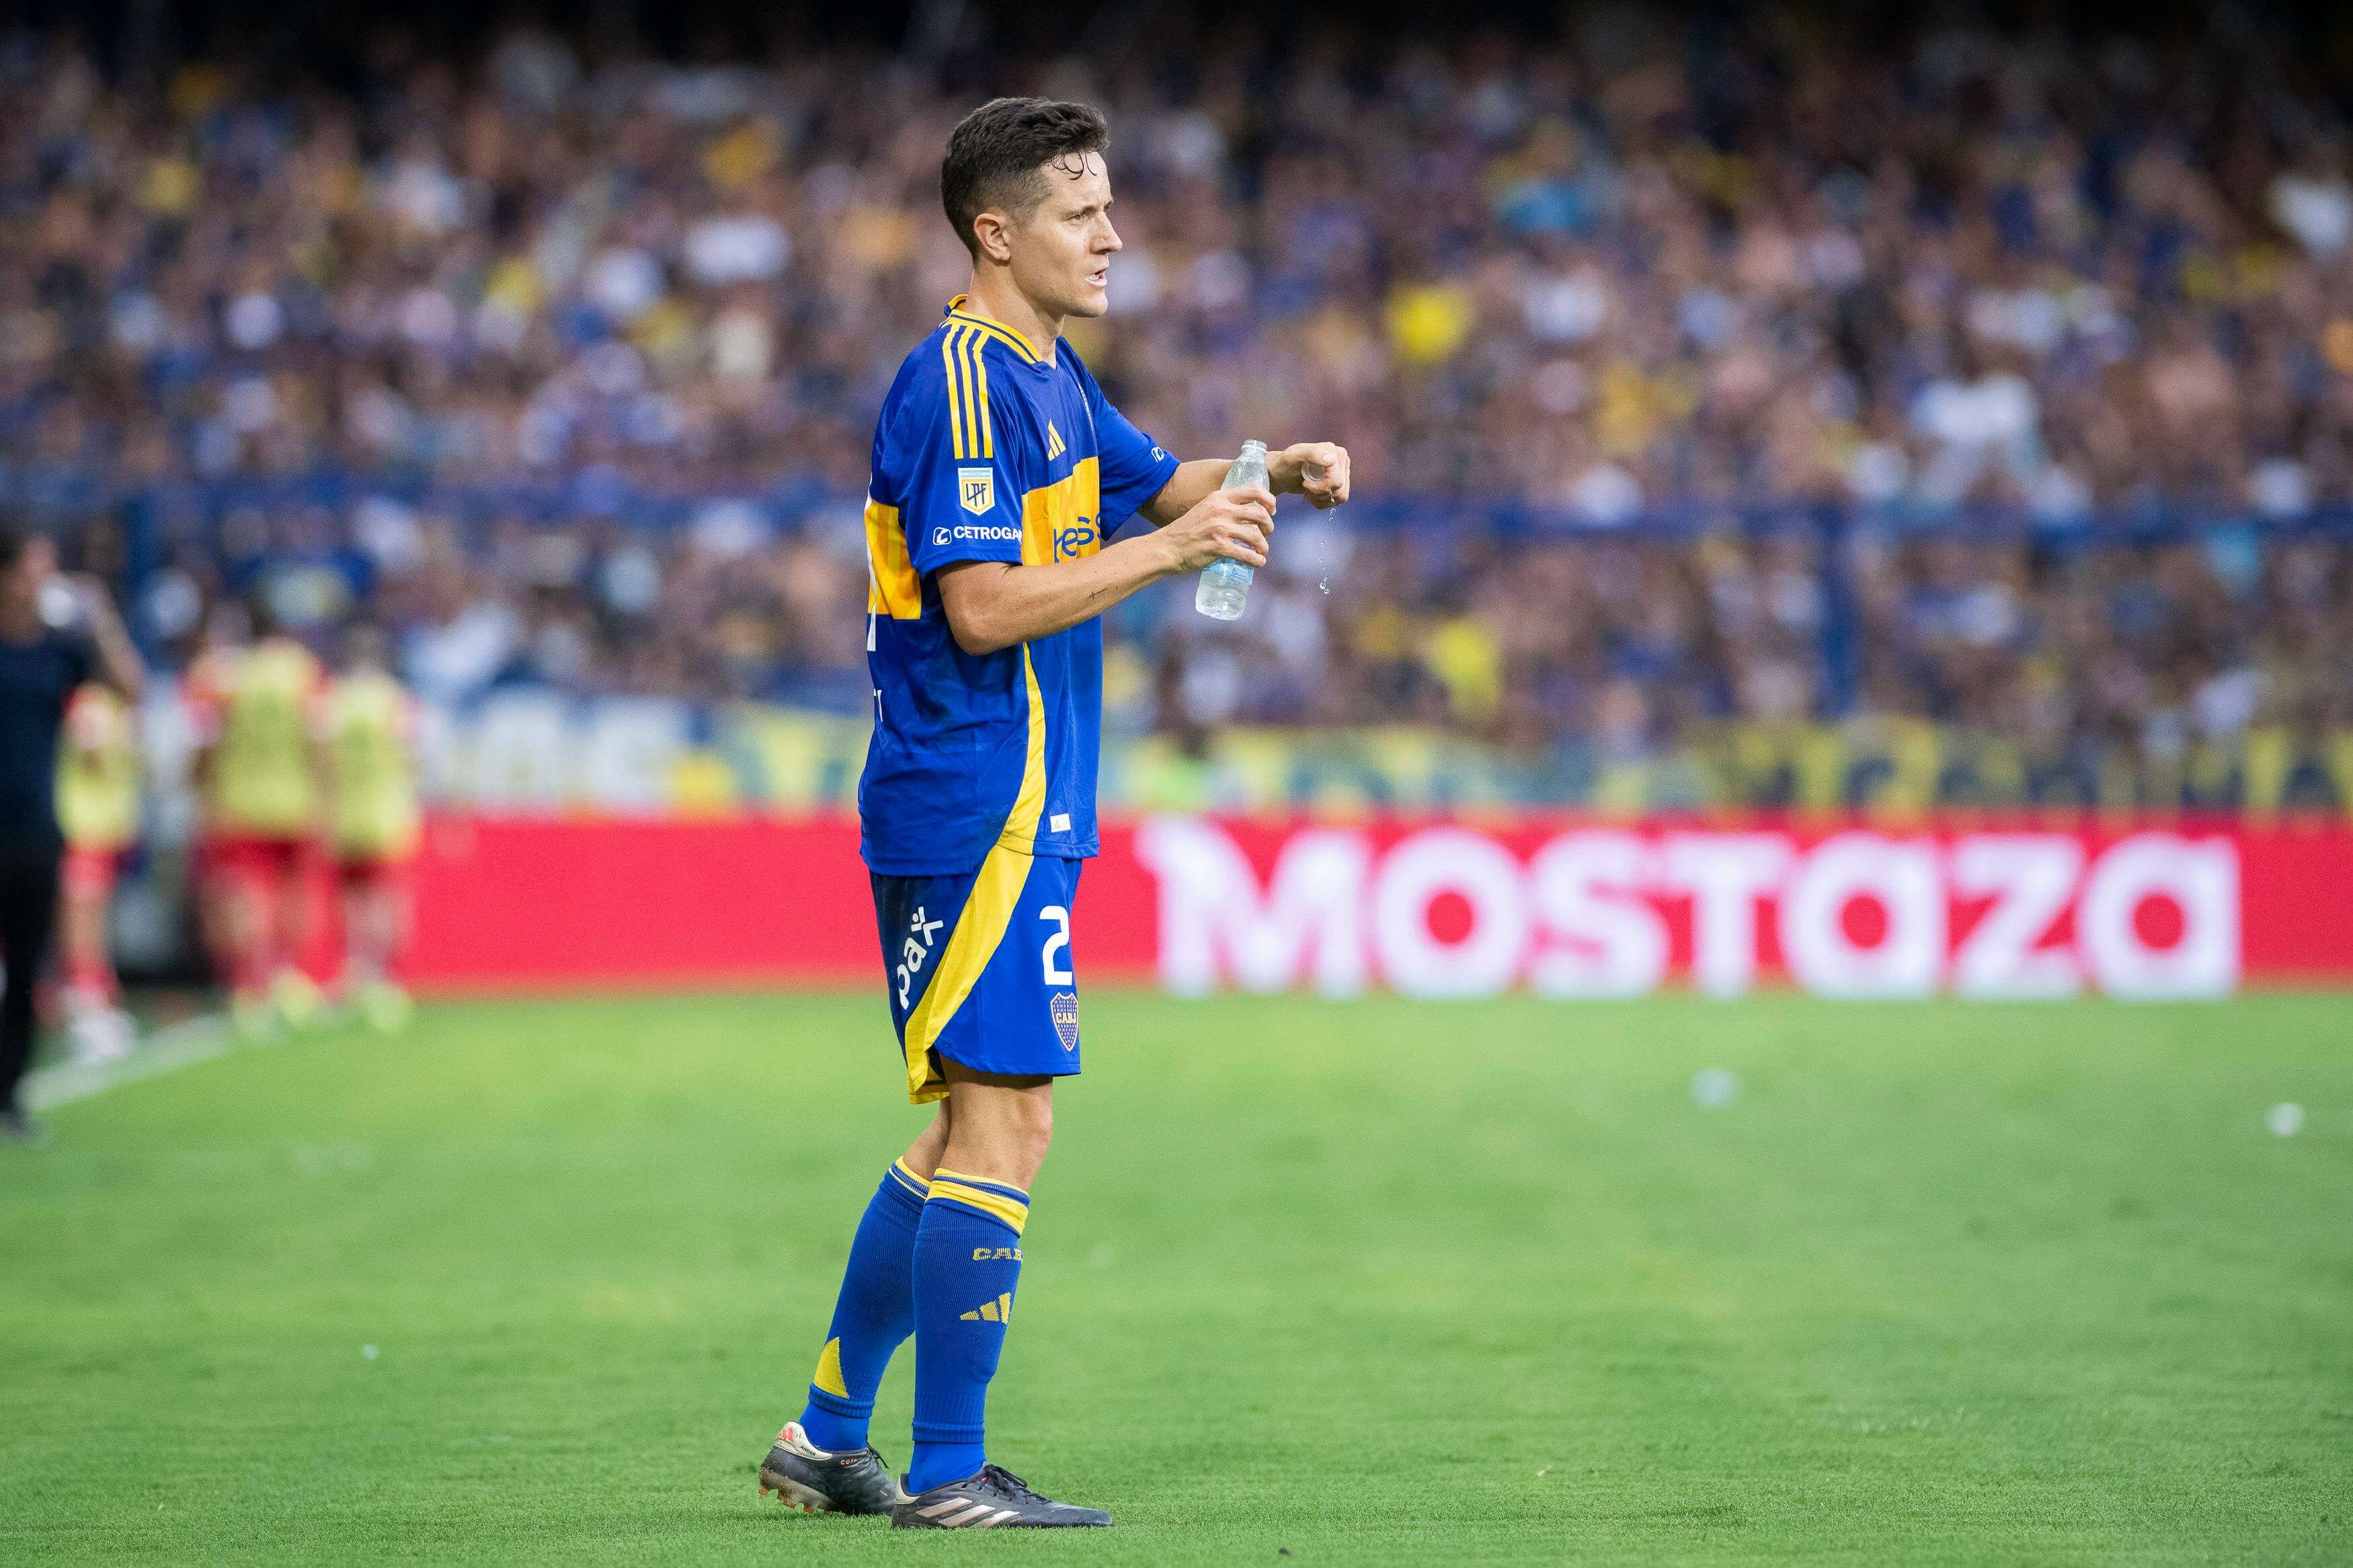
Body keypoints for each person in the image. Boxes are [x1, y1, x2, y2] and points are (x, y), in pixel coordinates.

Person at [754, 98, 1350, 1529]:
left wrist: (1268, 471)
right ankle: (949, 1472)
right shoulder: (959, 379)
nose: (1114, 234)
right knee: (1006, 1124)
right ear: (996, 229)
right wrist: (1170, 549)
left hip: (1017, 803)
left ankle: (831, 1432)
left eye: (1111, 207)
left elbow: (1159, 487)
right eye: (1085, 212)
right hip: (975, 800)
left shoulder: (1050, 374)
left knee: (973, 1125)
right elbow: (981, 606)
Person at [0, 518, 143, 1137]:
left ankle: (8, 1097)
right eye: (36, 565)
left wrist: (102, 615)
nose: (45, 579)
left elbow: (130, 686)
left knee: (27, 973)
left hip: (35, 831)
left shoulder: (62, 648)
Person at [185, 600, 327, 1036]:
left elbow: (204, 745)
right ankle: (289, 976)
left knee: (242, 894)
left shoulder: (221, 676)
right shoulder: (304, 672)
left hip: (238, 801)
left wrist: (200, 788)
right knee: (291, 890)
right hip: (294, 799)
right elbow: (318, 740)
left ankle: (248, 986)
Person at [317, 626, 419, 1032]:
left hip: (344, 811)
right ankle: (386, 980)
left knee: (352, 898)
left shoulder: (333, 701)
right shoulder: (395, 700)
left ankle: (356, 973)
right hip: (387, 810)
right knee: (387, 897)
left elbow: (318, 756)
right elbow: (415, 755)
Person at [56, 679, 141, 1063]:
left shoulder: (108, 703)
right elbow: (93, 759)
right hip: (82, 830)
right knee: (82, 926)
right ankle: (87, 1014)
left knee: (93, 925)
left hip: (102, 832)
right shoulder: (88, 703)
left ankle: (93, 1003)